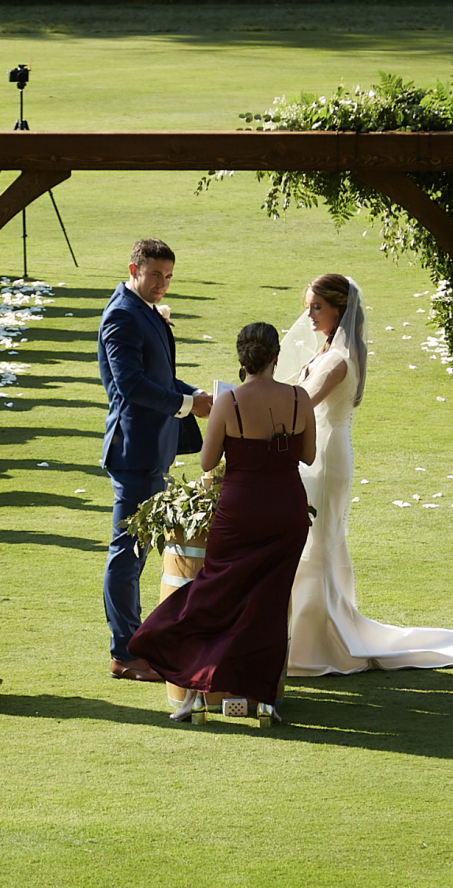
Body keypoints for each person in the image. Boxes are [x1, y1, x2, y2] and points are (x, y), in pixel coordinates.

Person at [282, 273, 453, 674]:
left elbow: (302, 404)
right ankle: (305, 634)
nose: (310, 314)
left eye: (318, 306)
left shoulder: (337, 359)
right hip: (318, 451)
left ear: (339, 309)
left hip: (327, 455)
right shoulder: (329, 349)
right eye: (308, 306)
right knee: (314, 538)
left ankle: (319, 642)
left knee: (319, 539)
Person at [130, 322, 315, 722]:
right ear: (276, 357)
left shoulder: (230, 403)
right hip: (286, 510)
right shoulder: (300, 398)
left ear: (242, 360)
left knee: (213, 597)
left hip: (241, 510)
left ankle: (193, 689)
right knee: (268, 603)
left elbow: (207, 461)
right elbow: (310, 456)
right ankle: (262, 697)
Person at [99, 240, 212, 683]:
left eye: (168, 277)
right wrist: (187, 404)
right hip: (134, 450)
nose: (163, 285)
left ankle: (134, 643)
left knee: (137, 552)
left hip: (151, 448)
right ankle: (124, 653)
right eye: (155, 276)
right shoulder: (123, 315)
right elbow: (130, 386)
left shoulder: (141, 308)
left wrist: (196, 395)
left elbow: (158, 374)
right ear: (133, 269)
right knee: (127, 554)